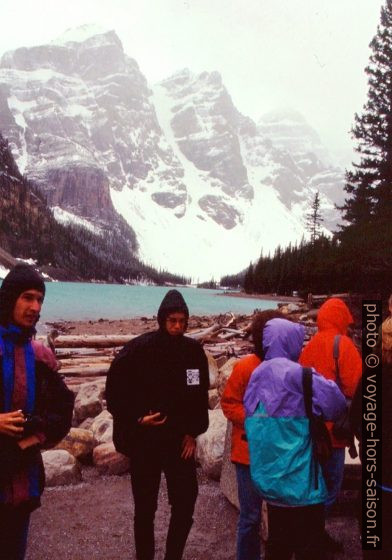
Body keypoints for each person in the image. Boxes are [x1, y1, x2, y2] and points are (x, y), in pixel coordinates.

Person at [106, 289, 209, 560]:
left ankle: (173, 556)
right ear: (161, 319)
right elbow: (115, 391)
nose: (177, 326)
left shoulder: (193, 353)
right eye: (172, 320)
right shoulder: (139, 350)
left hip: (178, 443)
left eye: (182, 321)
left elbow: (199, 397)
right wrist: (136, 418)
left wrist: (192, 432)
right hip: (146, 443)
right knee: (144, 510)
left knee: (185, 504)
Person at [244, 318, 346, 560]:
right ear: (290, 342)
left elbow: (251, 418)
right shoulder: (302, 375)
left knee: (277, 545)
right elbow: (337, 405)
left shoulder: (256, 374)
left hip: (270, 484)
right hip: (302, 486)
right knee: (310, 548)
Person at [0, 263, 74, 560]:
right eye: (27, 297)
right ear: (9, 298)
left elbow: (63, 410)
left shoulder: (40, 356)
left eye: (39, 299)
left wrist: (37, 436)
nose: (34, 306)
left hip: (21, 482)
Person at [221, 309, 283, 560]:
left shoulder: (289, 368)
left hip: (278, 453)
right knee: (250, 516)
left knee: (280, 514)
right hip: (247, 455)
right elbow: (229, 404)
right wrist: (254, 424)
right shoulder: (246, 367)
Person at [299, 298, 362, 533]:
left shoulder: (309, 345)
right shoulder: (344, 345)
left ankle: (312, 534)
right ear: (341, 318)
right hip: (335, 432)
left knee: (314, 485)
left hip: (311, 431)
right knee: (332, 487)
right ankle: (312, 536)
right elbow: (358, 389)